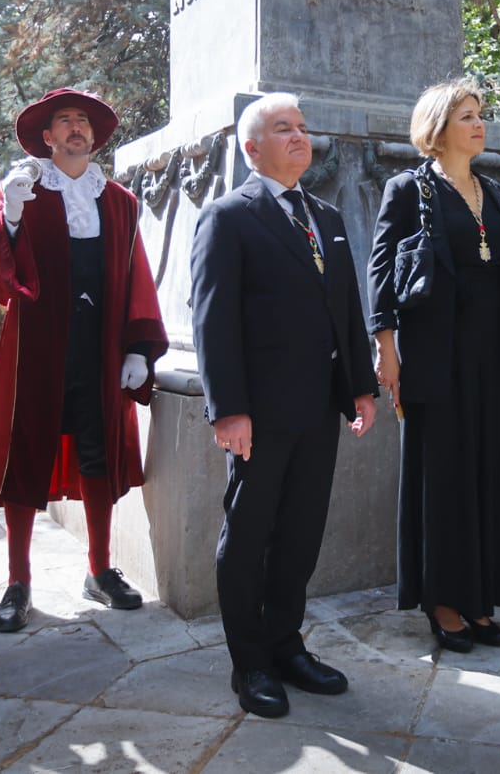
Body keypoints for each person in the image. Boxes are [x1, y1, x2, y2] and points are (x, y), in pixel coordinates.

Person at [190, 92, 378, 719]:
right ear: (252, 149)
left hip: (318, 408)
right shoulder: (228, 217)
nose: (301, 137)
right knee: (249, 536)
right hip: (259, 414)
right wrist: (229, 409)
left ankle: (287, 644)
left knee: (299, 535)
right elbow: (214, 322)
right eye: (283, 129)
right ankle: (251, 663)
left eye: (302, 127)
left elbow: (345, 308)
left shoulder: (324, 214)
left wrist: (359, 386)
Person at [0, 88, 168, 632]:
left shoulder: (120, 201)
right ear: (48, 137)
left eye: (83, 120)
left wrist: (137, 347)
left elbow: (137, 278)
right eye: (65, 121)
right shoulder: (23, 192)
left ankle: (100, 570)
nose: (76, 128)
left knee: (98, 456)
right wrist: (9, 216)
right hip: (37, 347)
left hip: (100, 347)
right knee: (23, 460)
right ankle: (18, 581)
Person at [367, 80, 500, 653]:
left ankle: (480, 596)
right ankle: (442, 598)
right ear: (438, 129)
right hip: (435, 357)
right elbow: (382, 274)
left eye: (480, 115)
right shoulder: (407, 189)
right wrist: (385, 349)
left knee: (489, 473)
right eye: (466, 116)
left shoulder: (493, 191)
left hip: (492, 355)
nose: (478, 124)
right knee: (442, 478)